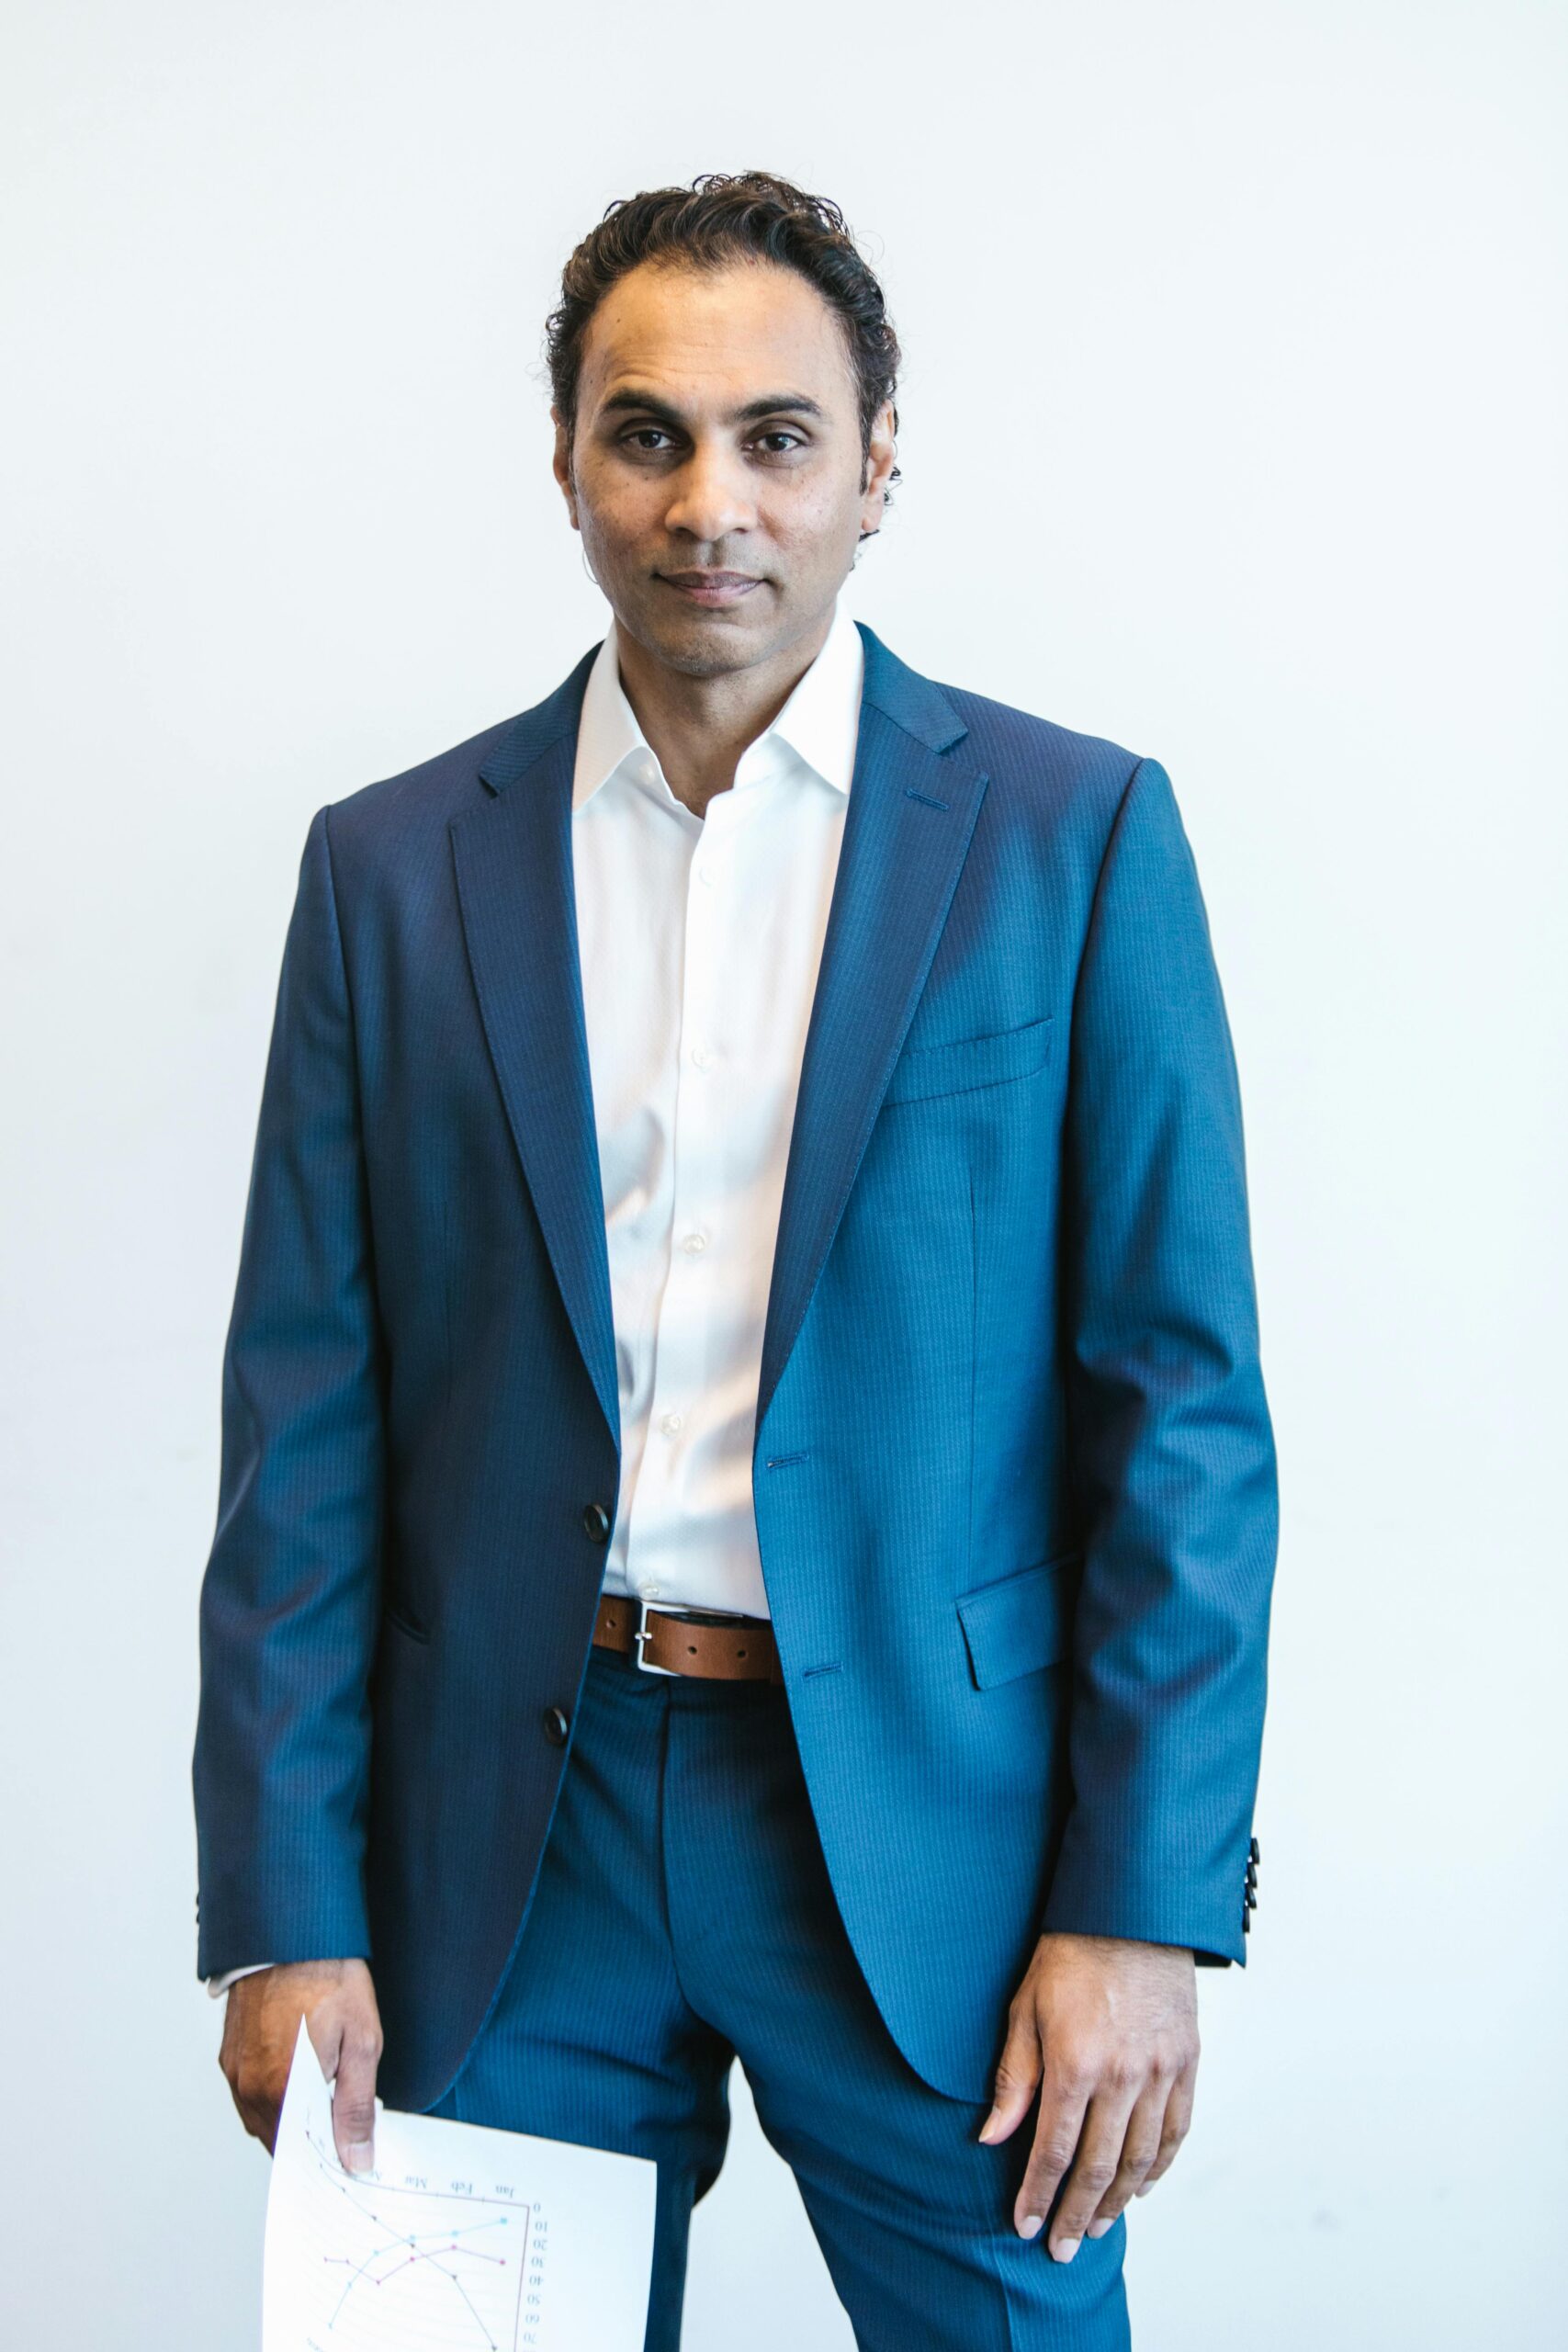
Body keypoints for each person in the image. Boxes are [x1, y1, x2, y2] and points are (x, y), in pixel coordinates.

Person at [193, 168, 1277, 2351]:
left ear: (876, 466)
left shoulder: (1068, 839)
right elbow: (303, 1424)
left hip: (937, 1839)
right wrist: (284, 1906)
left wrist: (1141, 1905)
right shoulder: (391, 872)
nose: (711, 505)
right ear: (566, 464)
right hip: (510, 1837)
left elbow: (1178, 1411)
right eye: (647, 434)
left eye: (775, 436)